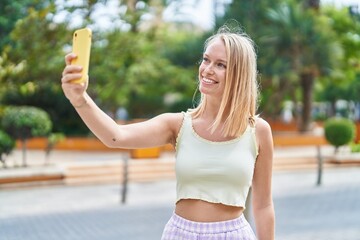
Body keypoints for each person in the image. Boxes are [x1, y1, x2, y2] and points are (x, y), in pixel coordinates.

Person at [61, 25, 275, 240]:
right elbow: (115, 136)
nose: (207, 69)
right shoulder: (178, 125)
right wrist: (80, 99)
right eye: (206, 59)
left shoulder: (258, 131)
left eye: (221, 65)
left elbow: (263, 206)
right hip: (181, 233)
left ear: (239, 74)